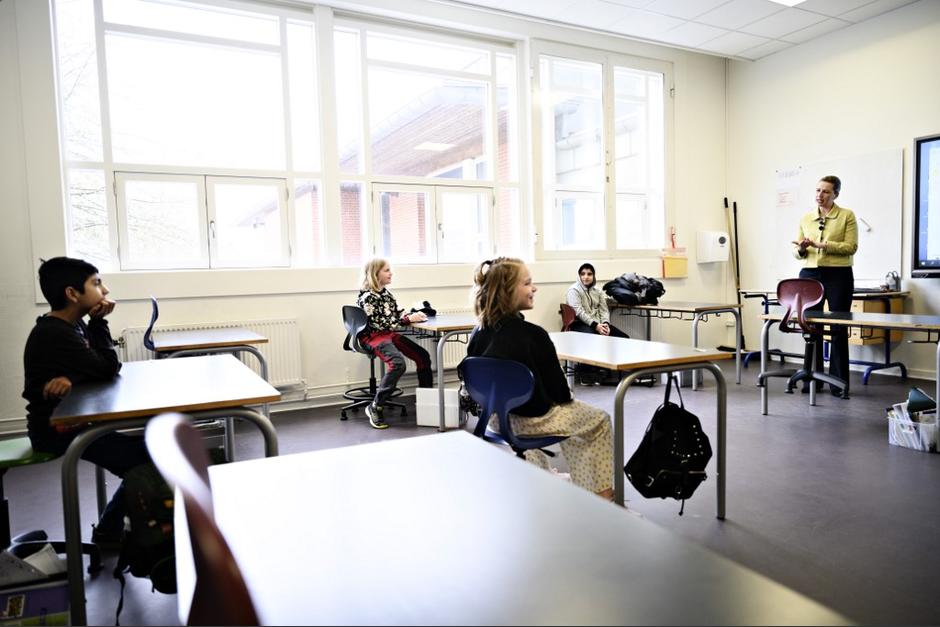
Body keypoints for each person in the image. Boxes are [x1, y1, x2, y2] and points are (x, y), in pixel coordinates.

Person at [22, 256, 150, 548]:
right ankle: (109, 531)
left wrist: (72, 376)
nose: (104, 290)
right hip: (57, 431)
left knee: (147, 451)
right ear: (72, 293)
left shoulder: (71, 326)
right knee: (147, 460)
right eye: (96, 283)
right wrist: (100, 321)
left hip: (75, 421)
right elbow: (106, 367)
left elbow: (93, 368)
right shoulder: (55, 333)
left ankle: (111, 528)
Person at [466, 257, 614, 500]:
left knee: (543, 413)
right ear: (507, 291)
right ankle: (601, 496)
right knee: (597, 421)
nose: (534, 288)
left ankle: (541, 482)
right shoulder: (534, 335)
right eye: (528, 283)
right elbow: (560, 395)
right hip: (530, 421)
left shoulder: (478, 332)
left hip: (495, 418)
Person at [791, 175, 858, 397]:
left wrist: (821, 245)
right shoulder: (806, 218)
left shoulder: (846, 216)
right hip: (809, 274)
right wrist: (801, 248)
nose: (820, 195)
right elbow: (797, 252)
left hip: (838, 275)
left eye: (826, 191)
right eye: (818, 190)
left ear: (836, 194)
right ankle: (812, 380)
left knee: (838, 327)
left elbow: (851, 247)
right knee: (811, 327)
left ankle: (838, 383)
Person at [357, 258, 433, 429]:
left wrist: (413, 315)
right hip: (373, 336)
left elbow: (395, 313)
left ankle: (427, 401)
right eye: (386, 270)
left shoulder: (385, 293)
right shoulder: (368, 297)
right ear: (375, 274)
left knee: (422, 356)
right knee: (398, 364)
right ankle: (375, 405)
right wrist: (406, 320)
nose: (391, 273)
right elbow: (379, 324)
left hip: (388, 334)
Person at [566, 262, 629, 385]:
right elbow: (578, 312)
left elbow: (604, 310)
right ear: (579, 276)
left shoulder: (598, 291)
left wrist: (605, 324)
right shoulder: (573, 290)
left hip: (599, 324)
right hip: (579, 324)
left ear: (593, 276)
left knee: (624, 338)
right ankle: (586, 374)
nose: (586, 277)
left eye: (589, 274)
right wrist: (596, 326)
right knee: (592, 337)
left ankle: (617, 374)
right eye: (583, 274)